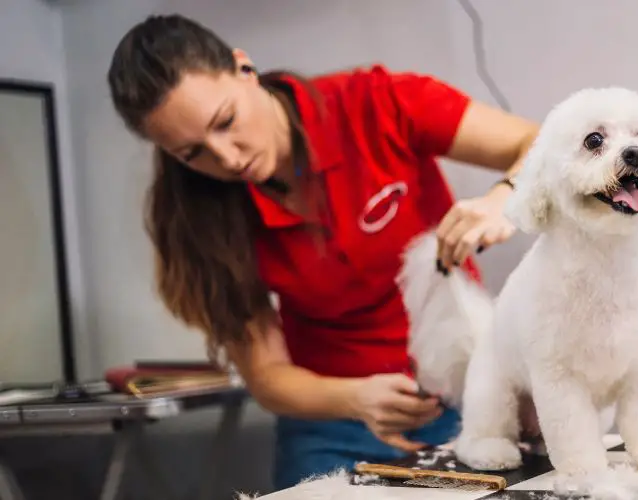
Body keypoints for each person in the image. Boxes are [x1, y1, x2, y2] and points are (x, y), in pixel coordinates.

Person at [106, 13, 539, 490]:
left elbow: (538, 144)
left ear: (244, 69)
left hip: (464, 397)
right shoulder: (199, 219)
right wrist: (353, 399)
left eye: (226, 121)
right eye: (192, 153)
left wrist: (504, 197)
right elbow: (267, 374)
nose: (226, 158)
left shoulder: (377, 103)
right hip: (331, 423)